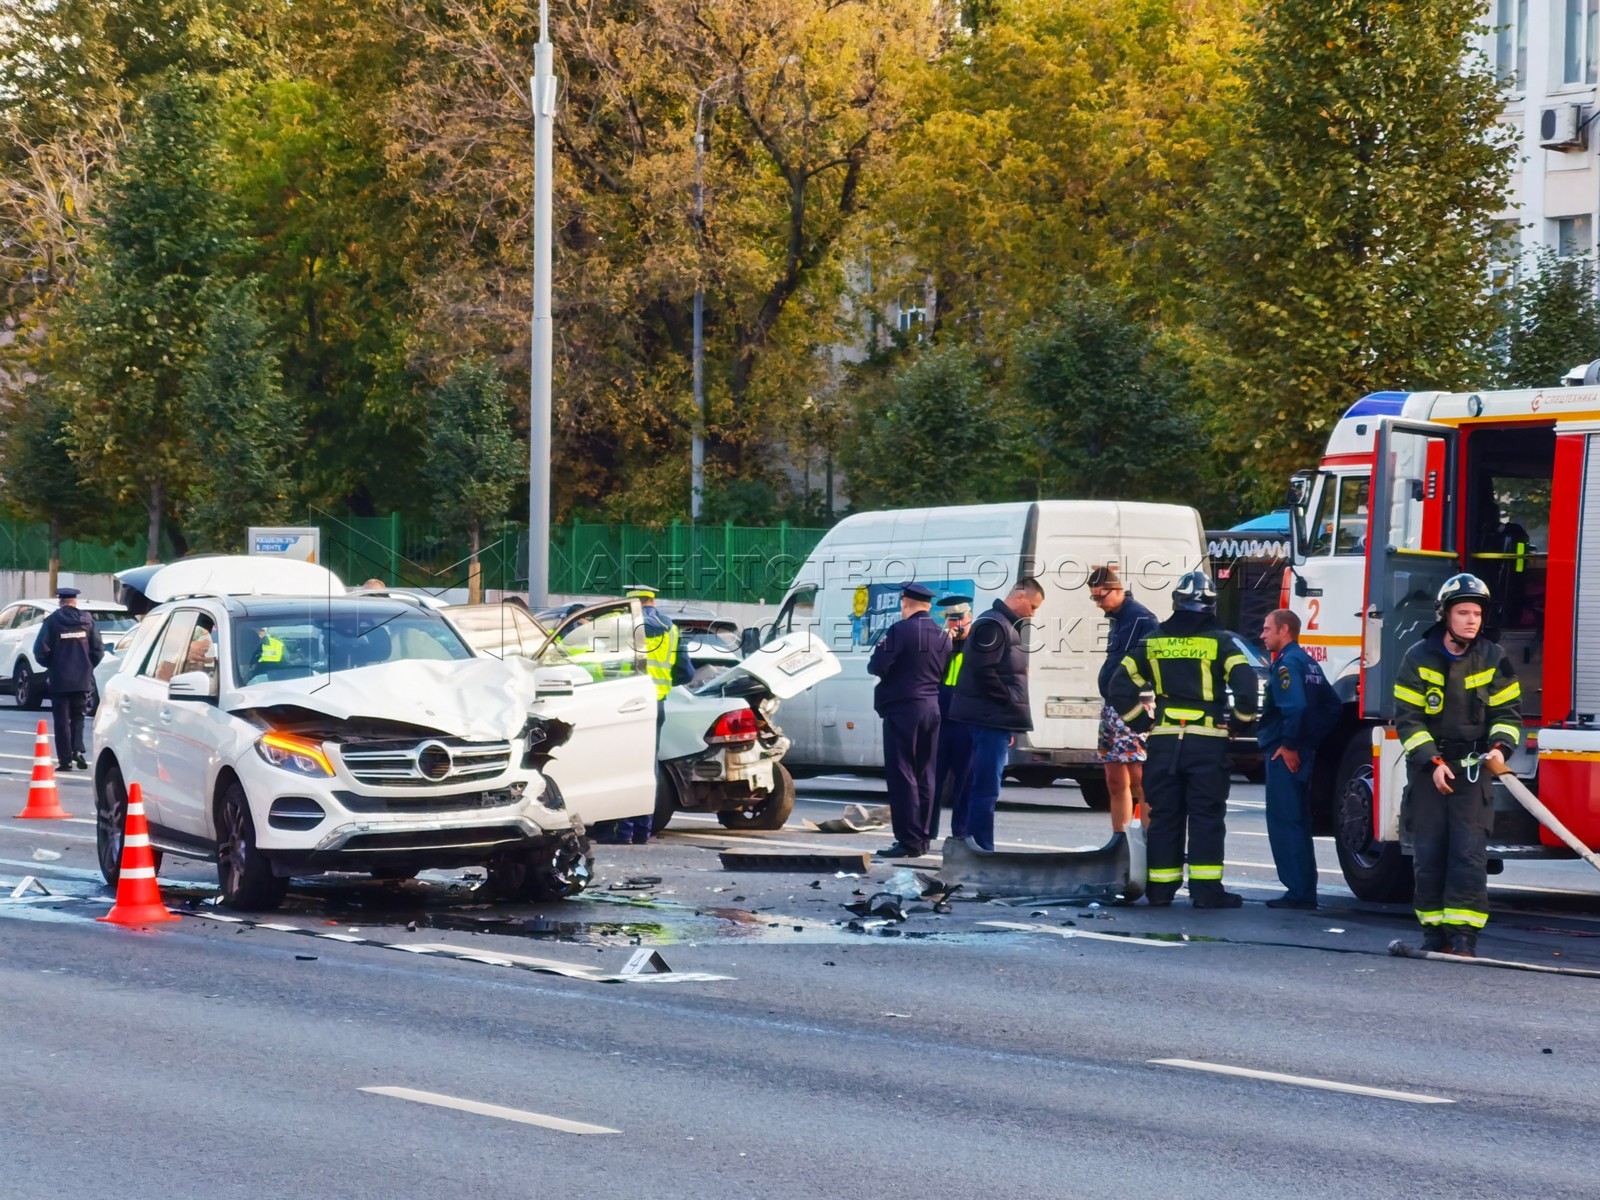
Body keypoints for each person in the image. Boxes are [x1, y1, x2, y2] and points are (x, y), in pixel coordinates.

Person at [1109, 570, 1258, 908]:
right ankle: (1206, 892)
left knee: (1164, 816)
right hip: (1206, 742)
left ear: (1176, 602)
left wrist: (1142, 723)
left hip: (1163, 743)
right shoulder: (1221, 642)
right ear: (1211, 605)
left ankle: (1160, 890)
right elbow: (1247, 689)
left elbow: (1120, 685)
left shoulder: (1154, 642)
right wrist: (1237, 724)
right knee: (1206, 816)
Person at [1392, 573, 1522, 958]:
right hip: (1430, 771)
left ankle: (1464, 939)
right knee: (1429, 853)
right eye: (1463, 612)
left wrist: (1500, 749)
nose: (1471, 620)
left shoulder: (1494, 657)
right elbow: (1408, 719)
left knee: (1468, 855)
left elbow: (1509, 715)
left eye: (1477, 613)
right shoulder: (1417, 657)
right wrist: (1431, 760)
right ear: (1445, 615)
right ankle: (1434, 934)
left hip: (1473, 770)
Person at [593, 584, 696, 846]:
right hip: (655, 704)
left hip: (623, 702)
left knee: (620, 765)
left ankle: (621, 831)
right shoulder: (671, 628)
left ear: (630, 602)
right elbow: (686, 673)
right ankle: (642, 830)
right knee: (646, 766)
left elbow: (604, 664)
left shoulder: (620, 625)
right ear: (652, 600)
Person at [949, 578, 1046, 852]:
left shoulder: (1000, 624)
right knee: (985, 789)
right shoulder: (994, 624)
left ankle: (970, 844)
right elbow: (984, 671)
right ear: (1019, 595)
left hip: (993, 718)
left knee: (980, 787)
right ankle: (982, 848)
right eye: (1033, 605)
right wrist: (1009, 701)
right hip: (989, 718)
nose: (1032, 613)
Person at [867, 581, 952, 858]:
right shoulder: (942, 635)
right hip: (931, 707)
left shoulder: (901, 630)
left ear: (905, 602)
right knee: (926, 774)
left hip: (903, 709)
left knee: (902, 774)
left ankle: (908, 840)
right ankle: (923, 838)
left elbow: (878, 665)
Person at [1258, 608, 1332, 910]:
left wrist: (1290, 745)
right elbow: (1332, 708)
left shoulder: (1287, 664)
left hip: (1284, 756)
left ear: (1284, 630)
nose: (1262, 635)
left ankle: (1298, 892)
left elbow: (1296, 707)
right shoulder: (1309, 662)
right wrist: (1309, 743)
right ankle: (1304, 890)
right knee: (1299, 822)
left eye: (1266, 629)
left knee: (1285, 822)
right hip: (1304, 754)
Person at [1090, 565, 1158, 832]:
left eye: (1101, 597)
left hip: (1133, 704)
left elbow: (1150, 664)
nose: (1098, 604)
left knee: (1140, 778)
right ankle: (1120, 838)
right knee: (1114, 780)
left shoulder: (1143, 619)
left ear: (1117, 590)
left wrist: (1137, 697)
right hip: (1111, 707)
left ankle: (1149, 839)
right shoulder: (1117, 617)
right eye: (1094, 598)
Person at [33, 587, 104, 771]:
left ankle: (65, 761)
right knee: (78, 716)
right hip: (82, 679)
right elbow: (98, 650)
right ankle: (78, 749)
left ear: (60, 601)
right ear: (75, 601)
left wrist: (53, 665)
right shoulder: (87, 621)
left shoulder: (52, 622)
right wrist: (87, 666)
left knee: (62, 721)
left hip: (60, 679)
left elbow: (40, 650)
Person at [932, 593, 975, 843]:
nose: (956, 625)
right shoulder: (939, 644)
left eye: (960, 618)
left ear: (969, 617)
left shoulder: (979, 644)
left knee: (965, 782)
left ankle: (961, 834)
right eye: (951, 619)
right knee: (932, 780)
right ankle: (927, 833)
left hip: (966, 723)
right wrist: (943, 645)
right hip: (941, 722)